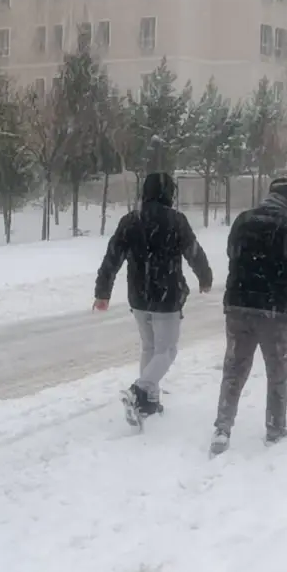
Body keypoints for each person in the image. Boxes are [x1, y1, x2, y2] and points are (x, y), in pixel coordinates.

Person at [94, 172, 213, 427]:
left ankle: (149, 401)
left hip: (139, 296)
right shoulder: (175, 220)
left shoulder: (130, 221)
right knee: (167, 350)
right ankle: (139, 390)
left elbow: (112, 257)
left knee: (150, 348)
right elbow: (193, 252)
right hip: (166, 296)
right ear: (169, 193)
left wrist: (103, 292)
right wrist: (205, 276)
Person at [210, 178, 287, 456]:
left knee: (234, 369)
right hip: (275, 312)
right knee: (278, 372)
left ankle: (222, 427)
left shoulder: (243, 220)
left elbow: (232, 255)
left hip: (238, 305)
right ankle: (275, 428)